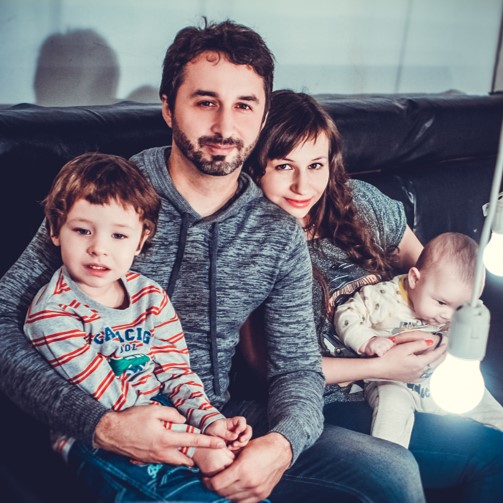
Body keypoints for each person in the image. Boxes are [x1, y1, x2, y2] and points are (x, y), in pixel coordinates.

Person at [0, 19, 426, 503]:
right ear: (167, 107)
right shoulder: (108, 196)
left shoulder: (276, 231)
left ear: (263, 119)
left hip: (218, 417)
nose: (225, 127)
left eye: (244, 106)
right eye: (205, 102)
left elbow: (296, 369)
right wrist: (103, 426)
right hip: (107, 422)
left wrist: (282, 445)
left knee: (391, 474)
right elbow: (3, 320)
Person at [243, 88, 503, 501]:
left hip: (416, 370)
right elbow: (270, 369)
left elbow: (437, 274)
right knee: (493, 456)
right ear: (256, 167)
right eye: (283, 166)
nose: (302, 185)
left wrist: (444, 334)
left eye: (315, 165)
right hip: (330, 399)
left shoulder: (359, 203)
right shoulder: (253, 243)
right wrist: (385, 366)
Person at [24, 152, 251, 476]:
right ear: (56, 230)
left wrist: (209, 420)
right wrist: (194, 446)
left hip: (162, 411)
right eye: (82, 230)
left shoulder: (150, 296)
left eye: (118, 235)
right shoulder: (52, 314)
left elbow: (176, 371)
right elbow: (105, 393)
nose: (99, 248)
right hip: (97, 435)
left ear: (141, 240)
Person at [334, 231, 503, 448]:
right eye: (441, 302)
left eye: (459, 307)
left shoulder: (457, 311)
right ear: (414, 279)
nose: (448, 315)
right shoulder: (384, 297)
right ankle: (389, 462)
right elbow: (346, 314)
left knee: (489, 406)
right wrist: (368, 339)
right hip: (391, 379)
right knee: (393, 408)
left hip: (438, 380)